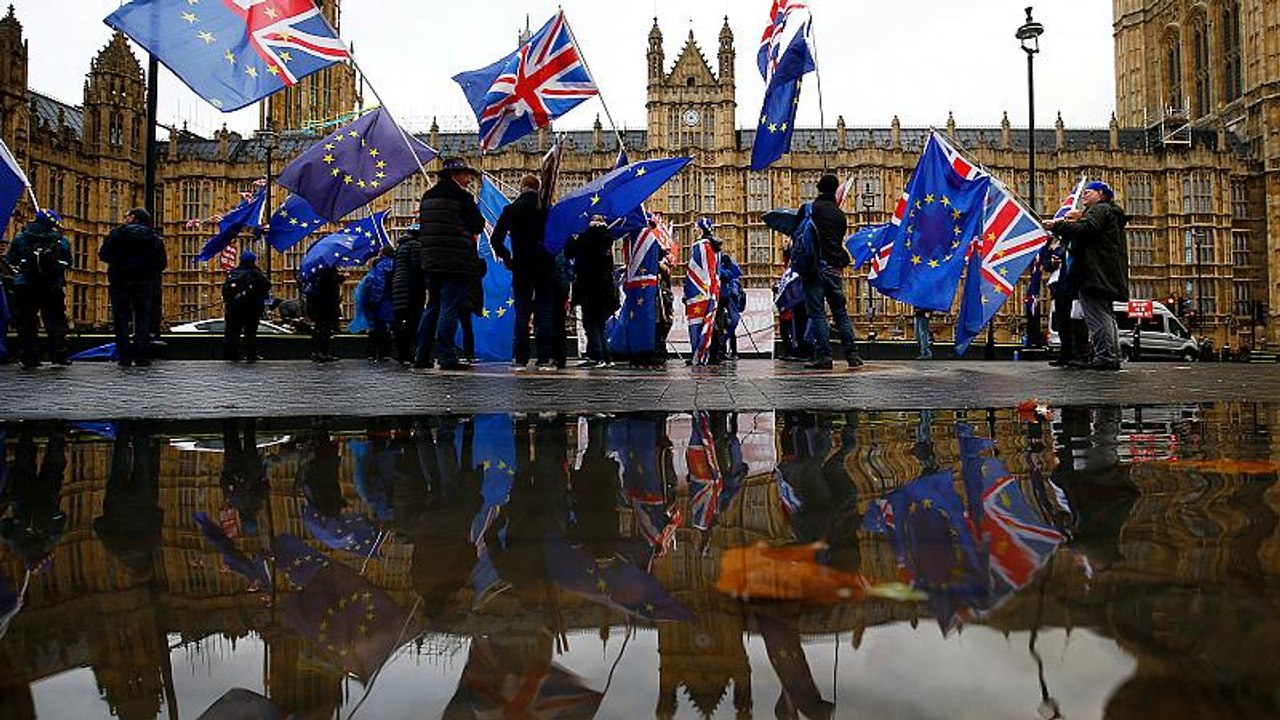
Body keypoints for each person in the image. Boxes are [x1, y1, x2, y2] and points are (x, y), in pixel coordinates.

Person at [1044, 181, 1129, 371]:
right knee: (1106, 316)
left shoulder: (1099, 210)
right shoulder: (1109, 212)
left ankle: (1106, 357)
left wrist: (1057, 226)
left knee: (1097, 317)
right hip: (1102, 273)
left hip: (1095, 274)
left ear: (1101, 194)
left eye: (1088, 193)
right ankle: (1111, 355)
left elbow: (1086, 230)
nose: (1084, 196)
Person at [415, 157, 485, 370]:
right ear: (454, 175)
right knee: (449, 308)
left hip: (430, 262)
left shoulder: (427, 197)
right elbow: (478, 225)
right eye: (465, 175)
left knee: (432, 307)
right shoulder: (461, 197)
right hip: (455, 262)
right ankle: (446, 356)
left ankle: (422, 355)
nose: (468, 179)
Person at [489, 174, 560, 369]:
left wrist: (506, 257)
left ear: (521, 188)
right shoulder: (547, 210)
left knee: (522, 314)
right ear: (538, 189)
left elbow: (495, 239)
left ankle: (520, 359)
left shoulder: (511, 210)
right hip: (545, 266)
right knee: (545, 314)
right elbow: (563, 239)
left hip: (522, 266)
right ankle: (544, 359)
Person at [802, 174, 861, 370]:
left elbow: (801, 235)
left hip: (816, 268)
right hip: (836, 269)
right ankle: (852, 355)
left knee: (818, 313)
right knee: (840, 313)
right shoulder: (840, 214)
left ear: (818, 188)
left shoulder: (811, 209)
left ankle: (824, 356)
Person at [100, 207, 167, 367]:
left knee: (121, 319)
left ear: (134, 218)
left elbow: (103, 254)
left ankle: (124, 357)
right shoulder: (154, 238)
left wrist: (119, 263)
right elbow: (162, 264)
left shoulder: (117, 234)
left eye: (127, 216)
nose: (125, 218)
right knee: (143, 319)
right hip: (144, 283)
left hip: (120, 281)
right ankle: (142, 357)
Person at [7, 209, 71, 368]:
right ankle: (59, 354)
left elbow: (10, 260)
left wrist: (22, 268)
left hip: (26, 285)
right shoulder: (60, 240)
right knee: (55, 321)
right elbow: (68, 262)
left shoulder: (20, 238)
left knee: (27, 321)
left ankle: (29, 357)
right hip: (52, 285)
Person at [564, 214, 618, 368]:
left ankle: (597, 356)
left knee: (590, 322)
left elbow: (570, 252)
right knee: (600, 323)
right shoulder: (607, 239)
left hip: (588, 287)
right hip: (605, 288)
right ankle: (607, 357)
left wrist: (568, 233)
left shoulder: (586, 238)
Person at [1042, 236, 1089, 367]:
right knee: (1063, 323)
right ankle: (1065, 354)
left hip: (1076, 288)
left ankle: (1081, 355)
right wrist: (1051, 260)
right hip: (1060, 288)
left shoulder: (1078, 239)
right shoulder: (1055, 241)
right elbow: (1045, 262)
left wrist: (1059, 253)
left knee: (1078, 322)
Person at [221, 249, 271, 362]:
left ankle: (231, 355)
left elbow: (225, 291)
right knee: (250, 333)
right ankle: (250, 354)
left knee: (232, 333)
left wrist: (230, 302)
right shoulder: (255, 273)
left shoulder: (233, 273)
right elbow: (267, 286)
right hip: (251, 309)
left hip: (233, 309)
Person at [351, 245, 395, 362]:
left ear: (384, 253)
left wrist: (373, 300)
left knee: (375, 327)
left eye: (380, 251)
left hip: (381, 301)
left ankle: (373, 353)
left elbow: (379, 284)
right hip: (392, 300)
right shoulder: (396, 264)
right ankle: (385, 353)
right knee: (386, 327)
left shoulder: (381, 265)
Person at [390, 227, 424, 365]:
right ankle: (409, 353)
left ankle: (400, 353)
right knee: (413, 321)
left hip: (398, 288)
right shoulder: (415, 245)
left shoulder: (400, 247)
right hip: (411, 288)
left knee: (400, 321)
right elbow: (417, 267)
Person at [304, 265, 343, 362]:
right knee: (324, 330)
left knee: (320, 329)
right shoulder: (327, 272)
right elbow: (329, 289)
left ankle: (317, 353)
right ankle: (322, 353)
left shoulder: (316, 271)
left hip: (318, 306)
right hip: (325, 306)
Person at [0, 236, 14, 363]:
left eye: (4, 245)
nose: (3, 247)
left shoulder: (5, 262)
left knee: (5, 319)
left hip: (5, 294)